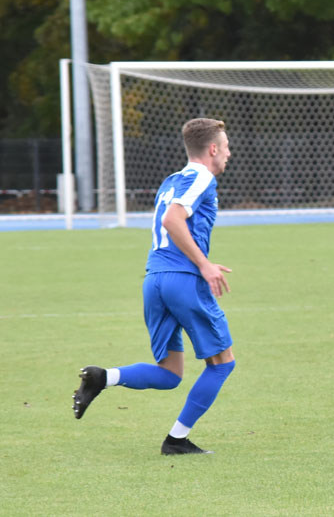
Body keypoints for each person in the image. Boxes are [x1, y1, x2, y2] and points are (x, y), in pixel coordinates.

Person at [72, 118, 237, 455]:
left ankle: (104, 377)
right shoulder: (202, 176)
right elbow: (172, 220)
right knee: (222, 363)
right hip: (183, 282)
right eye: (227, 147)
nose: (229, 154)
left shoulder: (170, 181)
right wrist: (204, 265)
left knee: (170, 373)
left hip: (155, 281)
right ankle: (176, 441)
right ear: (213, 149)